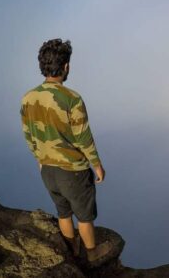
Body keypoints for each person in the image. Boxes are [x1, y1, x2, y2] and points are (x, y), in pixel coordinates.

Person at [20, 38, 112, 264]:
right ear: (66, 66)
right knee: (84, 216)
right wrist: (97, 165)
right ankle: (92, 253)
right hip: (73, 171)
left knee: (63, 212)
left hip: (47, 170)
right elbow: (82, 136)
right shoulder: (71, 98)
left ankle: (71, 249)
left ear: (42, 65)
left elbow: (28, 134)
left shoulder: (28, 98)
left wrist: (39, 159)